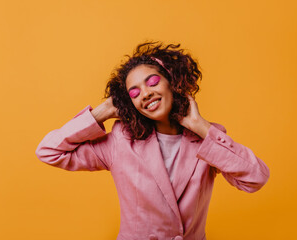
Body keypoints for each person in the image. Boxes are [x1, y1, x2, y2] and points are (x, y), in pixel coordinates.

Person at [35, 41, 270, 240]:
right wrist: (101, 112)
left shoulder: (208, 139)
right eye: (134, 93)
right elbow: (48, 151)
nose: (145, 93)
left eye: (152, 82)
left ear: (172, 82)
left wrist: (202, 127)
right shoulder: (120, 141)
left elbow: (255, 178)